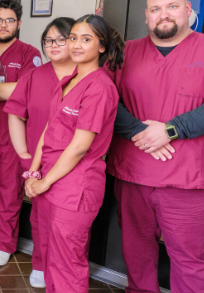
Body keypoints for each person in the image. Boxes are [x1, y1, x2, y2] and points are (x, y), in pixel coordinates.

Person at [109, 0, 204, 293]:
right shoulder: (126, 52)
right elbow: (105, 100)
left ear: (189, 10)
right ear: (147, 16)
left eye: (172, 7)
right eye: (156, 9)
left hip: (188, 178)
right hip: (134, 175)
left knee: (189, 259)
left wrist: (170, 130)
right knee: (136, 254)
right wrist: (139, 131)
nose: (164, 15)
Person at [24, 15, 123, 292]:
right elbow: (49, 128)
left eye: (86, 39)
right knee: (51, 258)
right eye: (74, 38)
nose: (77, 45)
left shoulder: (100, 87)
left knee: (67, 264)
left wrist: (44, 181)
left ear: (102, 46)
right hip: (50, 180)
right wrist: (34, 172)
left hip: (74, 187)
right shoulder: (69, 79)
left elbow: (80, 146)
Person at [4, 17, 76, 288]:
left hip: (74, 166)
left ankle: (62, 270)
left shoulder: (88, 77)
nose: (54, 45)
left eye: (61, 39)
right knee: (40, 219)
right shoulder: (34, 76)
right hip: (38, 164)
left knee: (68, 225)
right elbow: (15, 114)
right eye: (48, 40)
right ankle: (40, 263)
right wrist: (23, 154)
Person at [0, 0, 41, 267]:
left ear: (19, 24)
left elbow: (23, 91)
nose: (4, 25)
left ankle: (4, 241)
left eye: (10, 20)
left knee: (10, 187)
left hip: (12, 134)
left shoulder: (29, 53)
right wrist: (2, 93)